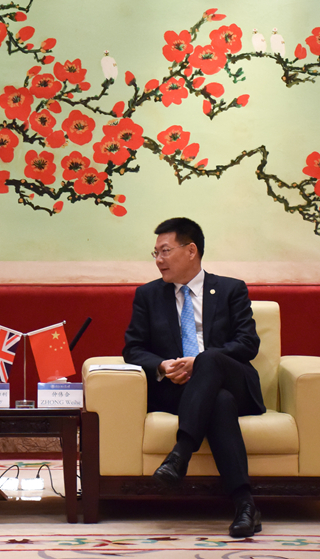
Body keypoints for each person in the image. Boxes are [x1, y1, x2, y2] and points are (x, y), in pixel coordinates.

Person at [123, 217, 266, 538]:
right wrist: (163, 366)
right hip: (181, 390)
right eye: (155, 253)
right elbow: (133, 349)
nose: (158, 260)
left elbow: (248, 343)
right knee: (219, 402)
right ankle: (245, 505)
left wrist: (199, 362)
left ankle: (181, 453)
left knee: (210, 359)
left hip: (235, 381)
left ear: (191, 251)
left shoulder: (231, 289)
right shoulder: (148, 295)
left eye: (165, 251)